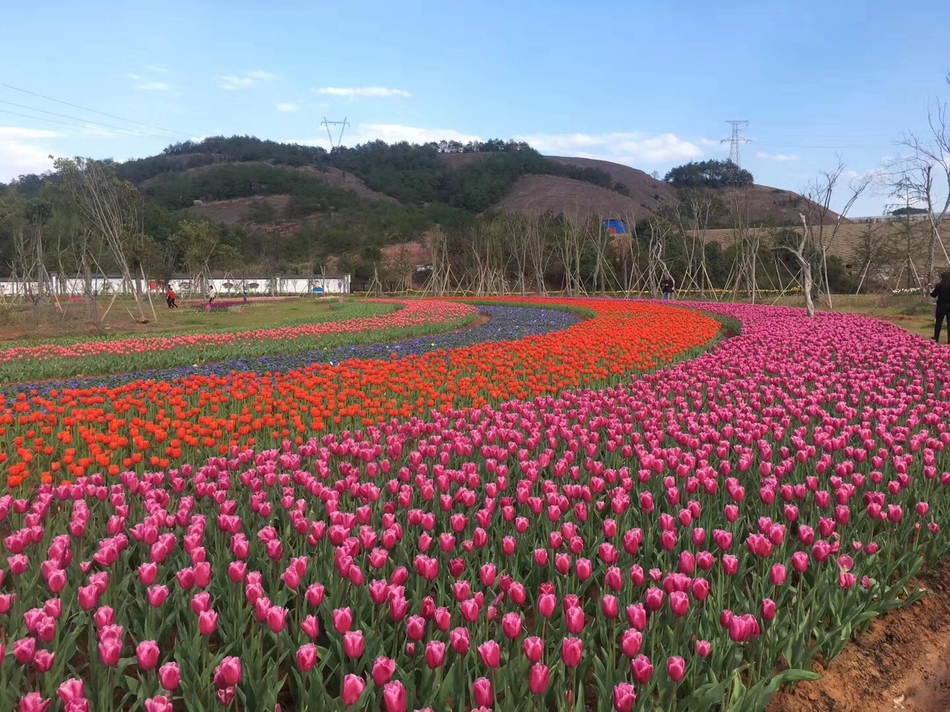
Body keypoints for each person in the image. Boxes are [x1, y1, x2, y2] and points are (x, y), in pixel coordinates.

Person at [931, 271, 950, 343]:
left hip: (941, 306)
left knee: (938, 322)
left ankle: (936, 337)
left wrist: (931, 291)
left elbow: (933, 295)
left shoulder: (939, 285)